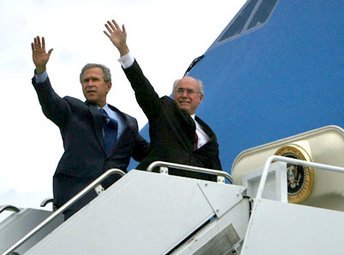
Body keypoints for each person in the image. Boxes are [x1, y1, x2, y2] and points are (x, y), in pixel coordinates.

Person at [31, 36, 149, 218]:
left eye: (95, 80)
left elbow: (147, 154)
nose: (90, 84)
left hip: (117, 195)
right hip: (78, 194)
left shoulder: (129, 122)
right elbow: (50, 102)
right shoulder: (72, 109)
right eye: (85, 81)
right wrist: (41, 71)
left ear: (108, 85)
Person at [103, 20, 222, 181]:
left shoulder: (208, 134)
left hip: (196, 193)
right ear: (174, 95)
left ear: (200, 98)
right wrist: (124, 50)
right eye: (180, 91)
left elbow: (215, 169)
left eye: (190, 91)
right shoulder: (164, 111)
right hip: (160, 184)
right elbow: (142, 88)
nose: (184, 95)